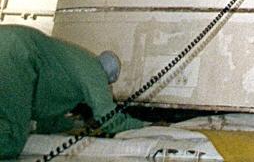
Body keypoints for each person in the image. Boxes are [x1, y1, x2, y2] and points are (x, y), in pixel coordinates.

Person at [0, 25, 145, 158]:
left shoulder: (71, 69)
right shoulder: (95, 71)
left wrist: (76, 124)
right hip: (16, 49)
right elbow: (108, 117)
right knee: (11, 137)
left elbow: (47, 122)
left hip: (9, 39)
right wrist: (141, 125)